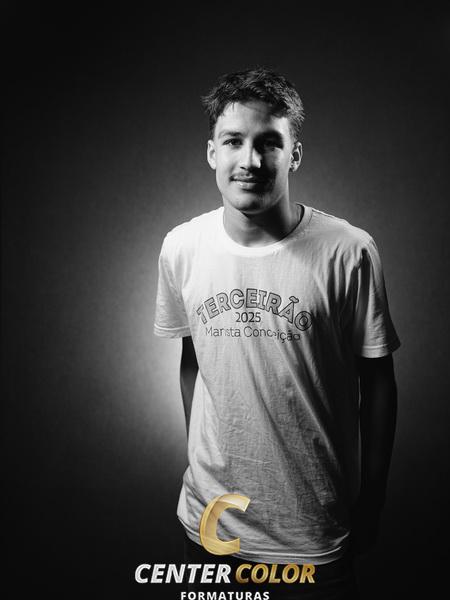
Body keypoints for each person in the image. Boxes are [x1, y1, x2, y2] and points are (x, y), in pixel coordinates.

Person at [154, 67, 400, 599]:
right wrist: (203, 459)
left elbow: (378, 381)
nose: (250, 160)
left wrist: (374, 495)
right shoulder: (182, 248)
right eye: (233, 141)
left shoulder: (348, 252)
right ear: (211, 153)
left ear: (295, 154)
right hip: (210, 524)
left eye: (269, 142)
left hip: (312, 531)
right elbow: (194, 360)